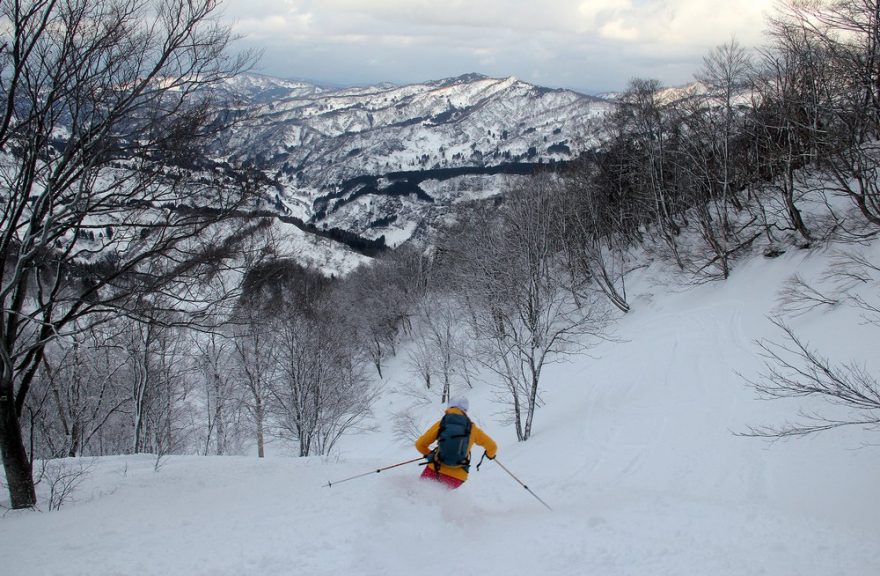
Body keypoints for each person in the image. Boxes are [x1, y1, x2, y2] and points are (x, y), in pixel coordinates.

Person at [415, 397, 497, 489]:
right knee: (438, 500)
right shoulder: (472, 428)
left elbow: (420, 444)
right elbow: (492, 446)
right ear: (465, 410)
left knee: (418, 498)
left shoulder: (442, 424)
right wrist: (490, 455)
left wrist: (430, 454)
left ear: (449, 407)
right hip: (457, 477)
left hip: (434, 469)